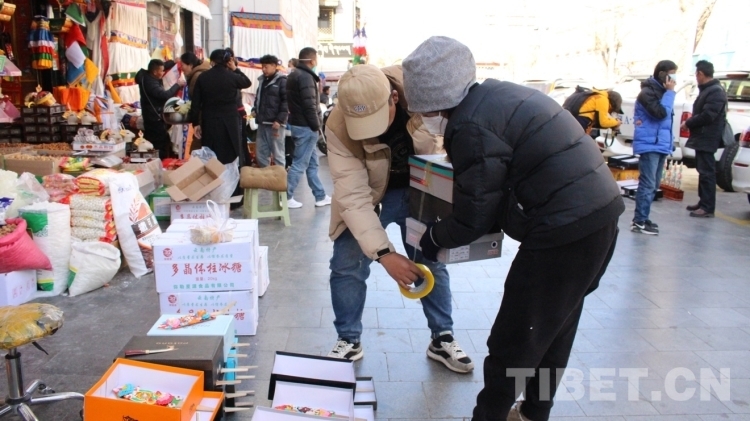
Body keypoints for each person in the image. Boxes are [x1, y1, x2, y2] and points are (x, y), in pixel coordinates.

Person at [402, 36, 624, 421]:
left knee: (515, 338)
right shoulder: (499, 96)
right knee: (554, 328)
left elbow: (473, 214)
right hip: (601, 216)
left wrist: (433, 239)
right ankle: (533, 412)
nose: (423, 117)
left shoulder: (470, 126)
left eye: (422, 109)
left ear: (434, 100)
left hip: (563, 232)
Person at [324, 64, 474, 373]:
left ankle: (442, 337)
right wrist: (384, 254)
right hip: (368, 194)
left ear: (394, 98)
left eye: (376, 119)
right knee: (346, 264)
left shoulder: (424, 93)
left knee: (431, 259)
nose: (371, 131)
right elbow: (352, 195)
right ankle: (348, 339)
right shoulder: (337, 125)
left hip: (419, 190)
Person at [631, 60, 678, 235]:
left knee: (654, 184)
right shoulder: (647, 93)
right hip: (649, 144)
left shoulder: (663, 93)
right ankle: (639, 221)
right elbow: (660, 114)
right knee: (648, 183)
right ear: (662, 74)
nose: (674, 78)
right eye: (671, 74)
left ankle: (644, 217)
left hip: (659, 144)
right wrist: (670, 92)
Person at [188, 48, 252, 166]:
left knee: (211, 151)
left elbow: (195, 102)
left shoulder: (203, 77)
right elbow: (247, 82)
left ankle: (213, 175)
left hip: (210, 119)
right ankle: (232, 176)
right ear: (227, 62)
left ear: (212, 62)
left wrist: (195, 123)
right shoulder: (232, 76)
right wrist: (235, 69)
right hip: (230, 120)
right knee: (230, 151)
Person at [285, 47, 330, 209]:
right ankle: (286, 197)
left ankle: (320, 196)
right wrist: (316, 126)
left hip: (299, 124)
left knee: (312, 164)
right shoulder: (305, 77)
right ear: (312, 60)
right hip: (306, 127)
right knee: (299, 164)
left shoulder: (294, 75)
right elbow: (309, 105)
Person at [682, 60, 727, 218]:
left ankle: (707, 206)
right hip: (703, 136)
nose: (696, 77)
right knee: (703, 171)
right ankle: (703, 201)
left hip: (708, 137)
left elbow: (708, 115)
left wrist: (689, 123)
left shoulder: (715, 92)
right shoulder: (708, 90)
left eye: (696, 74)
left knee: (707, 172)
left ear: (701, 73)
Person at [135, 59, 185, 159]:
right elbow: (164, 95)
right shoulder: (150, 83)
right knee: (159, 145)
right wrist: (178, 85)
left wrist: (173, 62)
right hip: (154, 119)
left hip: (154, 116)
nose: (163, 72)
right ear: (155, 72)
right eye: (162, 71)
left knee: (162, 142)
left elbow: (163, 66)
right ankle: (159, 163)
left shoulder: (149, 76)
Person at [253, 54, 288, 167]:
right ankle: (266, 176)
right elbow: (258, 98)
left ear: (274, 66)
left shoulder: (282, 81)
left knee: (278, 153)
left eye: (266, 67)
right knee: (261, 153)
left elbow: (286, 102)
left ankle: (280, 177)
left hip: (275, 124)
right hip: (262, 123)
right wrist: (255, 109)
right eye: (262, 67)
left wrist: (279, 120)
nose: (263, 69)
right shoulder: (262, 81)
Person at [180, 52, 212, 154]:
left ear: (190, 65)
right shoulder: (201, 73)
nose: (181, 68)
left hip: (202, 118)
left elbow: (196, 101)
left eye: (182, 65)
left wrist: (196, 122)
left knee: (198, 150)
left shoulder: (197, 76)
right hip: (207, 117)